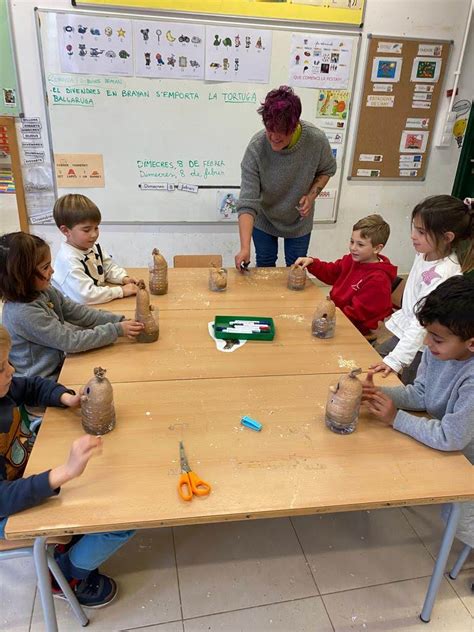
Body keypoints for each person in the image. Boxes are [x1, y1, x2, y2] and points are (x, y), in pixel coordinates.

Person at [0, 325, 133, 607]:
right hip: (6, 510)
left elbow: (33, 385)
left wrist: (66, 397)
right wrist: (65, 472)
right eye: (2, 368)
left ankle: (73, 548)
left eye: (8, 361)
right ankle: (67, 575)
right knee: (123, 517)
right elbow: (3, 499)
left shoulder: (5, 388)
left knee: (111, 477)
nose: (11, 370)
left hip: (25, 469)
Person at [363, 276, 474, 552]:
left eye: (436, 339)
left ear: (471, 343)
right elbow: (422, 394)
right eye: (427, 334)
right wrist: (381, 394)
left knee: (460, 521)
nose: (427, 343)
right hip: (456, 448)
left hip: (467, 461)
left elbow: (451, 437)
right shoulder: (439, 353)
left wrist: (394, 418)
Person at [0, 232, 144, 380]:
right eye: (45, 267)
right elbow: (71, 341)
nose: (52, 271)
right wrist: (116, 330)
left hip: (62, 362)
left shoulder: (43, 290)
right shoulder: (22, 312)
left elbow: (77, 312)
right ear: (22, 276)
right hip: (43, 383)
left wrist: (118, 320)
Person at [371, 195, 473, 384]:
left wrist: (396, 360)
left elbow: (421, 324)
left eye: (421, 231)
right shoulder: (426, 252)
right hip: (407, 332)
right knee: (373, 362)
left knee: (403, 386)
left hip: (422, 343)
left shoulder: (446, 274)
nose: (413, 235)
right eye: (414, 228)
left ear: (447, 237)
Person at [234, 85, 337, 269]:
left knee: (296, 270)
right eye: (269, 129)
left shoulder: (316, 140)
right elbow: (247, 201)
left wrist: (311, 196)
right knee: (264, 267)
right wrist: (244, 247)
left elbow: (327, 169)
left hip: (298, 221)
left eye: (280, 132)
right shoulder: (257, 147)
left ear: (295, 125)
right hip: (265, 218)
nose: (273, 137)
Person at [295, 214, 397, 337]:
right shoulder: (352, 260)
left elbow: (358, 314)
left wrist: (327, 316)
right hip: (337, 315)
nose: (353, 248)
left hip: (357, 330)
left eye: (360, 245)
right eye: (352, 241)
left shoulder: (378, 279)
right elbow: (331, 272)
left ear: (377, 248)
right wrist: (312, 263)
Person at [52, 194, 138, 304]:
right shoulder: (68, 261)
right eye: (86, 230)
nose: (94, 235)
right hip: (75, 312)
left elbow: (107, 267)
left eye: (96, 228)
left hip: (96, 304)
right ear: (65, 231)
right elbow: (86, 296)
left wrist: (123, 278)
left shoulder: (92, 246)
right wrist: (121, 291)